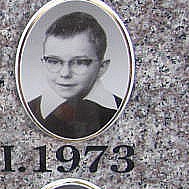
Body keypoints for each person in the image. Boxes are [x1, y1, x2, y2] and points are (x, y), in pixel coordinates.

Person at [28, 11, 122, 139]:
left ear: (102, 67)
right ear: (43, 63)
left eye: (79, 62)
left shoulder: (124, 111)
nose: (65, 73)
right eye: (54, 61)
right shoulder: (28, 111)